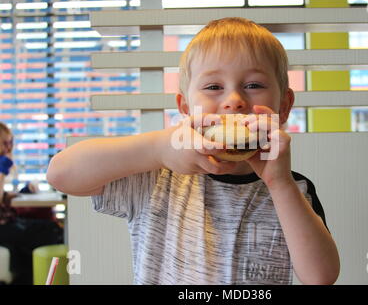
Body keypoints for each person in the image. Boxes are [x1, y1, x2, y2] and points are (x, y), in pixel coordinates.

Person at [46, 17, 340, 285]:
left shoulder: (293, 190)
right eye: (213, 86)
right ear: (186, 108)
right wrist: (161, 148)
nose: (234, 100)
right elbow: (61, 174)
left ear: (284, 106)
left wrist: (280, 184)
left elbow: (320, 277)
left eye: (253, 84)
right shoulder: (158, 178)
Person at [0, 122, 63, 285]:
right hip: (3, 226)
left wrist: (22, 191)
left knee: (42, 231)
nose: (8, 147)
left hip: (6, 224)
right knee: (50, 230)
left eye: (10, 142)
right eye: (4, 143)